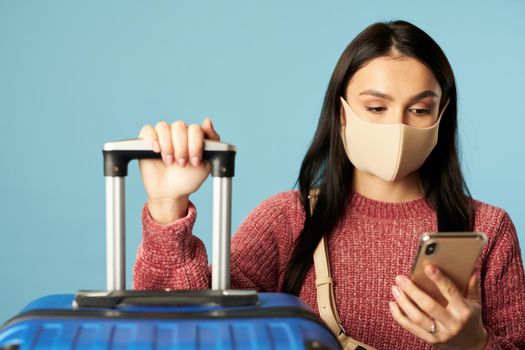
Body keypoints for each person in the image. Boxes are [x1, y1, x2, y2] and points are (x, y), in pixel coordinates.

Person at [132, 19, 525, 349]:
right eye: (375, 108)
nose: (398, 127)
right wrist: (168, 206)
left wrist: (476, 344)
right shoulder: (287, 220)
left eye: (420, 109)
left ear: (442, 115)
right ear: (341, 114)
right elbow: (183, 325)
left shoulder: (489, 229)